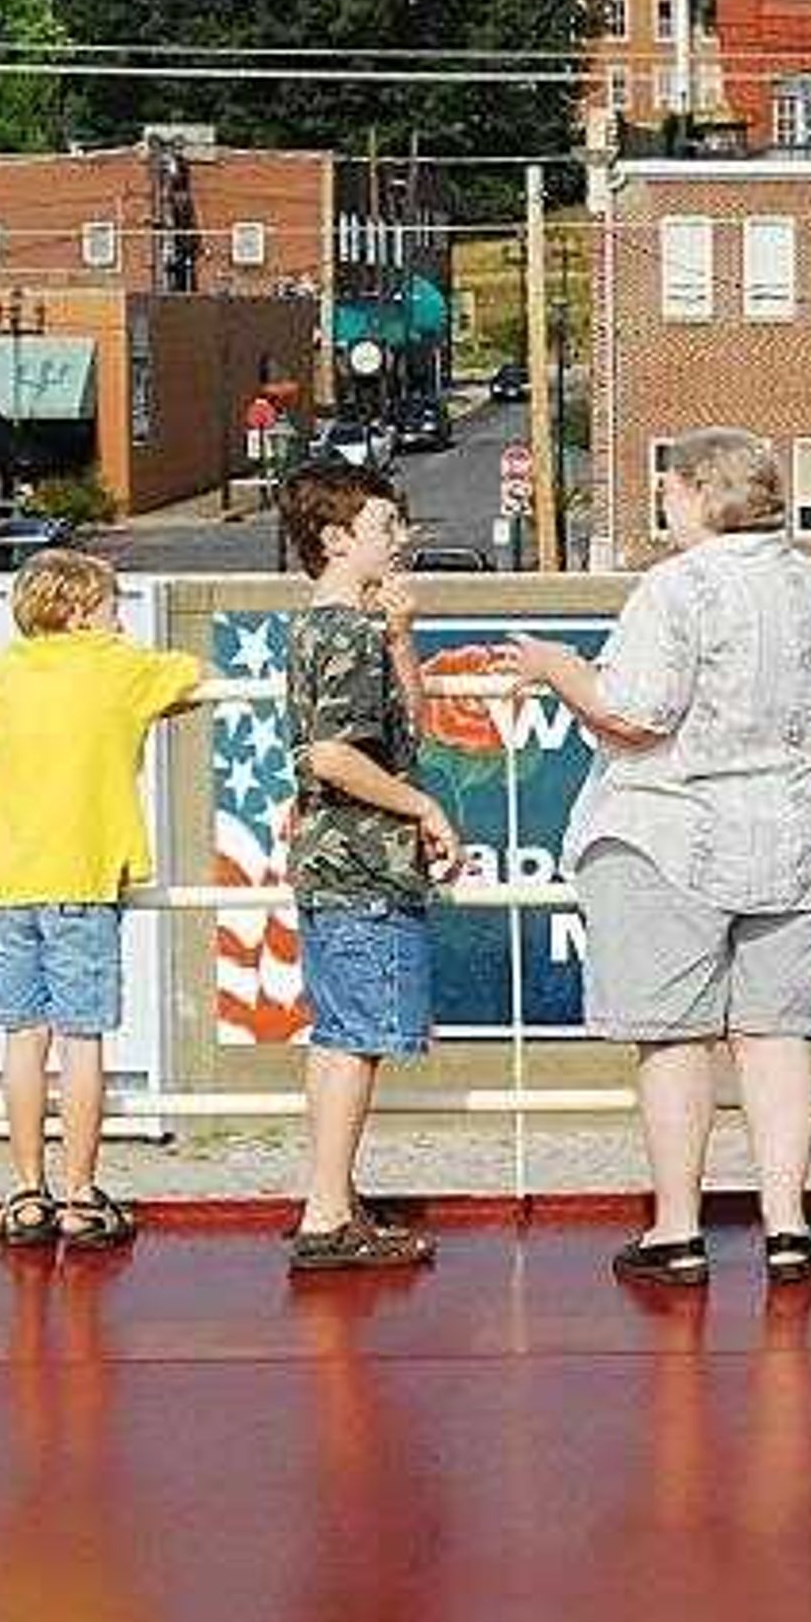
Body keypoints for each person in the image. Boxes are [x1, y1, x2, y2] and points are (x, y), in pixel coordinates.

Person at [504, 426, 811, 1289]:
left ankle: (676, 1228)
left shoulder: (676, 587)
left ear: (703, 492)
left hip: (675, 835)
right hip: (800, 830)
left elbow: (634, 713)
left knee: (675, 1036)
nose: (662, 499)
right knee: (777, 1036)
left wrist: (555, 668)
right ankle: (787, 1225)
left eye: (670, 486)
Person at [0, 546, 207, 1251]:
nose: (120, 617)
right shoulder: (116, 666)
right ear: (79, 609)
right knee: (82, 1037)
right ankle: (79, 1192)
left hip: (7, 878)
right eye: (112, 605)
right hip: (82, 874)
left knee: (21, 1037)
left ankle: (26, 1188)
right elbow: (191, 677)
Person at [278, 457, 468, 1273]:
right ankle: (328, 1211)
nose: (402, 540)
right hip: (363, 865)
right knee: (357, 1037)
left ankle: (330, 1193)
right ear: (335, 538)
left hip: (331, 861)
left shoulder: (327, 628)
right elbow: (335, 753)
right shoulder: (345, 635)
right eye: (386, 527)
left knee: (337, 1035)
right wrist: (423, 806)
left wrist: (402, 638)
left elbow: (404, 728)